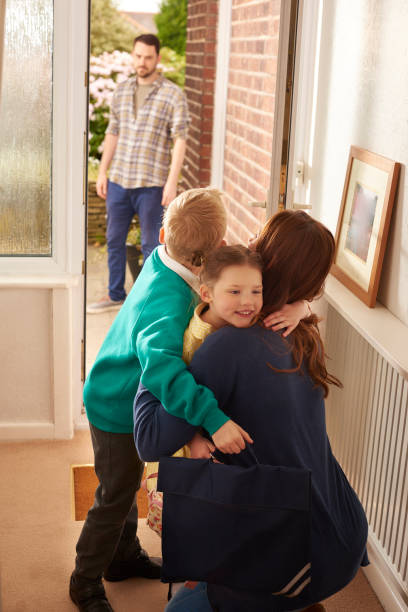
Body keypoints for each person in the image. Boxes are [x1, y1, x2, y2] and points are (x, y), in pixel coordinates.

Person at [134, 210, 369, 612]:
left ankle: (280, 596)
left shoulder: (229, 347)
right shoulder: (301, 332)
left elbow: (149, 438)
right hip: (344, 530)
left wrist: (159, 360)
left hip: (298, 552)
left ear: (265, 260)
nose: (248, 239)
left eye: (258, 237)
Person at [144, 245, 265, 537]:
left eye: (256, 291)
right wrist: (193, 437)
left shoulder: (241, 317)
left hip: (215, 433)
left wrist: (301, 309)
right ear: (207, 294)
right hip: (184, 438)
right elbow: (171, 397)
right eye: (235, 292)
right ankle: (191, 580)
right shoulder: (195, 343)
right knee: (190, 515)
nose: (247, 302)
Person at [87, 33, 190, 314]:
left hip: (152, 184)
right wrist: (103, 171)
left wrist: (172, 182)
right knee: (114, 240)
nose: (142, 62)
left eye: (148, 57)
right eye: (138, 56)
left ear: (157, 58)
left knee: (151, 245)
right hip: (119, 180)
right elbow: (113, 131)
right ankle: (115, 294)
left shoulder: (173, 95)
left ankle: (148, 302)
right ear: (132, 56)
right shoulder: (121, 90)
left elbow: (180, 139)